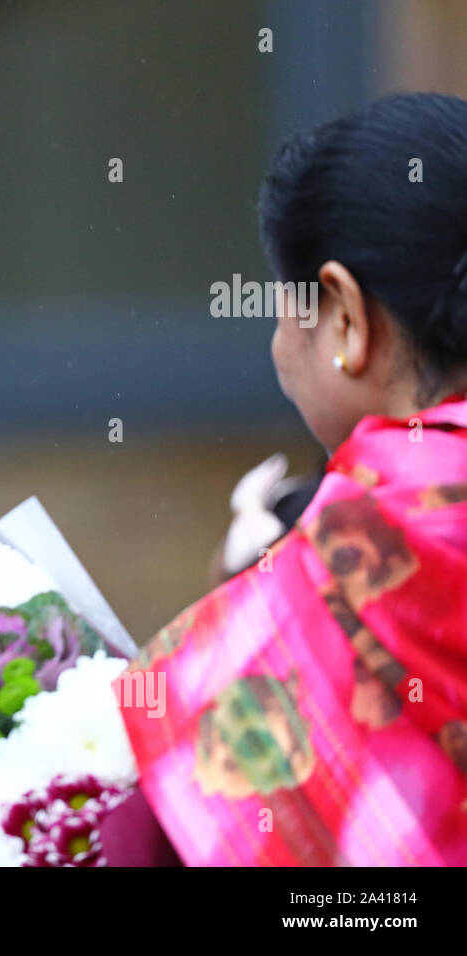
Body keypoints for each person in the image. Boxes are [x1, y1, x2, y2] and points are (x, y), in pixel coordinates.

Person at [120, 92, 467, 865]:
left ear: (344, 316)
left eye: (285, 310)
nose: (280, 345)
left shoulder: (346, 546)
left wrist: (255, 592)